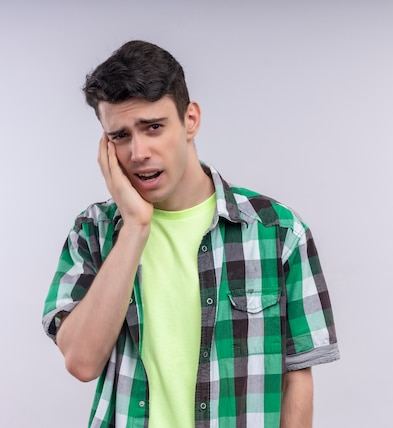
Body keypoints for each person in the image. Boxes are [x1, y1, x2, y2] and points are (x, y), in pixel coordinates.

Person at [42, 40, 339, 427]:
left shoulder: (278, 232)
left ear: (191, 120)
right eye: (120, 135)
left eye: (153, 127)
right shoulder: (94, 232)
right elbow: (81, 361)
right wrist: (134, 226)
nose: (139, 152)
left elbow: (296, 379)